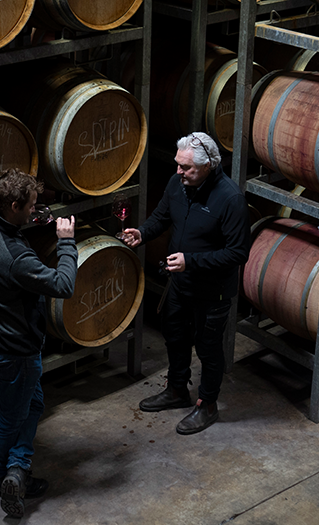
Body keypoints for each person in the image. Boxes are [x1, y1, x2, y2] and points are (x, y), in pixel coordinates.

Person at [120, 132, 249, 435]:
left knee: (208, 349)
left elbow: (237, 253)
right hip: (179, 284)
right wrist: (142, 233)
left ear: (208, 167)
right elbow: (162, 217)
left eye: (187, 168)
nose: (179, 172)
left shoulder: (230, 199)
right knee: (175, 337)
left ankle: (207, 404)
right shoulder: (178, 183)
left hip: (211, 292)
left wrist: (191, 261)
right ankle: (177, 390)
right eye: (179, 165)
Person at [0, 168, 76, 517]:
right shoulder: (17, 259)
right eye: (31, 205)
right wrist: (66, 241)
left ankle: (18, 468)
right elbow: (63, 285)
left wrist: (34, 222)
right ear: (14, 205)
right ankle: (3, 476)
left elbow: (15, 235)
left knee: (31, 405)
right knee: (14, 413)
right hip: (16, 349)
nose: (36, 209)